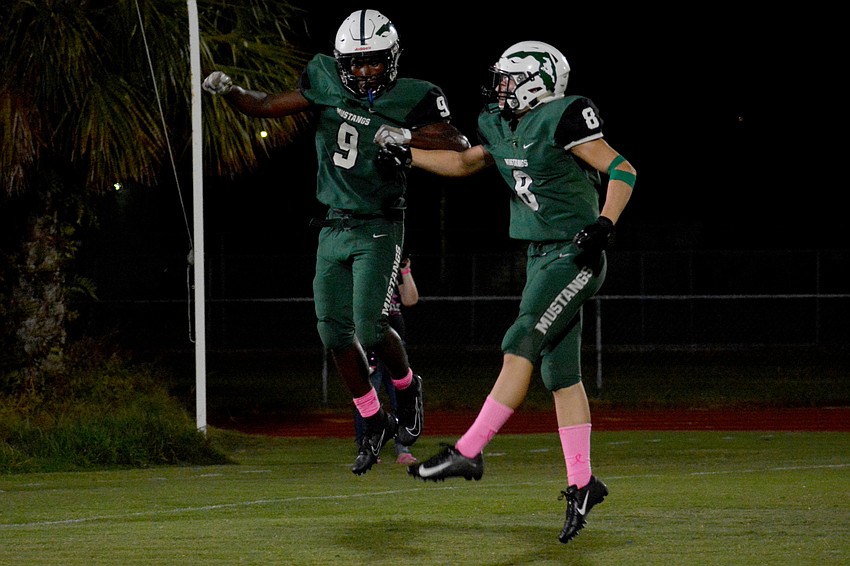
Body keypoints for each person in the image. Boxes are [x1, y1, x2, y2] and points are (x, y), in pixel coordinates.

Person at [374, 41, 635, 543]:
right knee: (561, 375)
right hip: (540, 256)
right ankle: (582, 483)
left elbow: (623, 169)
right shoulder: (500, 123)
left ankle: (470, 450)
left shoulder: (564, 115)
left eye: (509, 78)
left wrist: (604, 223)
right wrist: (410, 155)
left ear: (537, 81)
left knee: (520, 341)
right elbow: (467, 163)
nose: (500, 87)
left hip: (574, 253)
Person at [202, 9, 469, 475]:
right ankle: (373, 417)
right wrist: (232, 92)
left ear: (392, 58)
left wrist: (406, 135)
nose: (364, 70)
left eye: (374, 61)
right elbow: (266, 104)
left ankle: (406, 385)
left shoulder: (417, 94)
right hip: (332, 225)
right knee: (332, 332)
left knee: (369, 327)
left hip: (381, 223)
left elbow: (457, 140)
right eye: (357, 61)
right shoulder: (325, 78)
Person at [353, 255, 419, 465]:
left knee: (402, 397)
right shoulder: (365, 272)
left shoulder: (392, 269)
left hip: (395, 348)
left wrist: (405, 271)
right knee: (367, 399)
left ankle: (403, 447)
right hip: (370, 347)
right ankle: (368, 447)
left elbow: (410, 300)